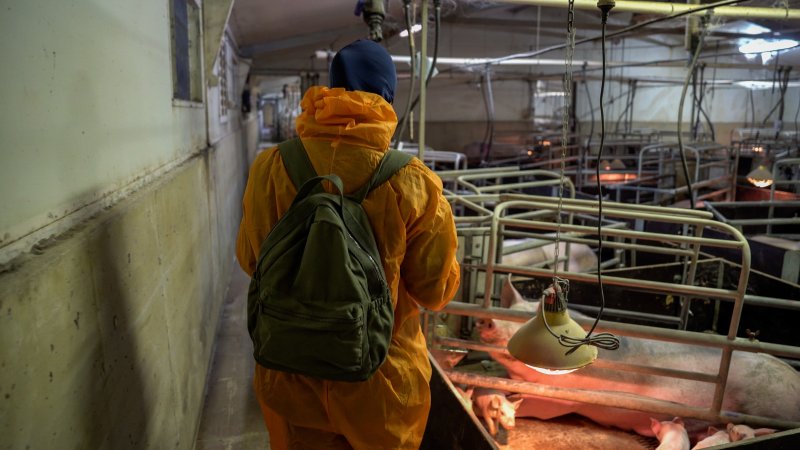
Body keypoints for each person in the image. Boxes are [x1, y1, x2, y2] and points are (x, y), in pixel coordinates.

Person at [236, 39, 461, 449]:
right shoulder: (413, 182)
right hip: (382, 385)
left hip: (290, 373)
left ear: (332, 88)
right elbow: (434, 291)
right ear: (387, 97)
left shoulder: (271, 167)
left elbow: (251, 260)